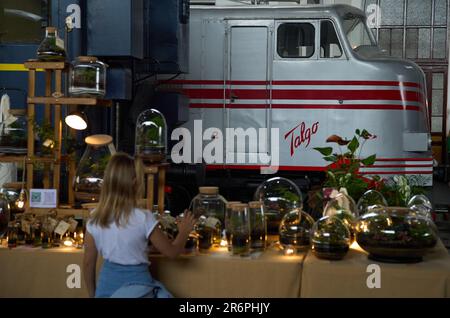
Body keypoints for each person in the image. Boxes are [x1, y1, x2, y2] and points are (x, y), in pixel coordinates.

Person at [83, 152, 196, 298]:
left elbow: (87, 264)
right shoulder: (143, 217)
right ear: (135, 183)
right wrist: (184, 231)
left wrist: (92, 295)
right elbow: (172, 252)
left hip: (107, 290)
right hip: (140, 290)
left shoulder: (94, 219)